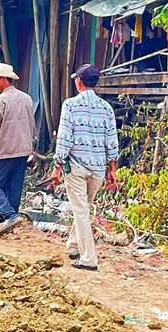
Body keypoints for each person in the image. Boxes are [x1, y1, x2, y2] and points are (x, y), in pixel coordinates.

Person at [50, 65, 120, 271]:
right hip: (98, 169)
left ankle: (89, 259)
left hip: (77, 168)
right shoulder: (106, 108)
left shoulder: (70, 105)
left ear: (79, 81)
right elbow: (112, 141)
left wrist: (56, 167)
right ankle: (73, 246)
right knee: (82, 209)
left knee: (81, 211)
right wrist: (112, 169)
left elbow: (64, 139)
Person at [0, 62, 35, 235]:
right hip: (24, 149)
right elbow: (32, 125)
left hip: (4, 150)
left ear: (4, 79)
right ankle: (7, 220)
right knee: (14, 185)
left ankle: (10, 216)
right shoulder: (27, 98)